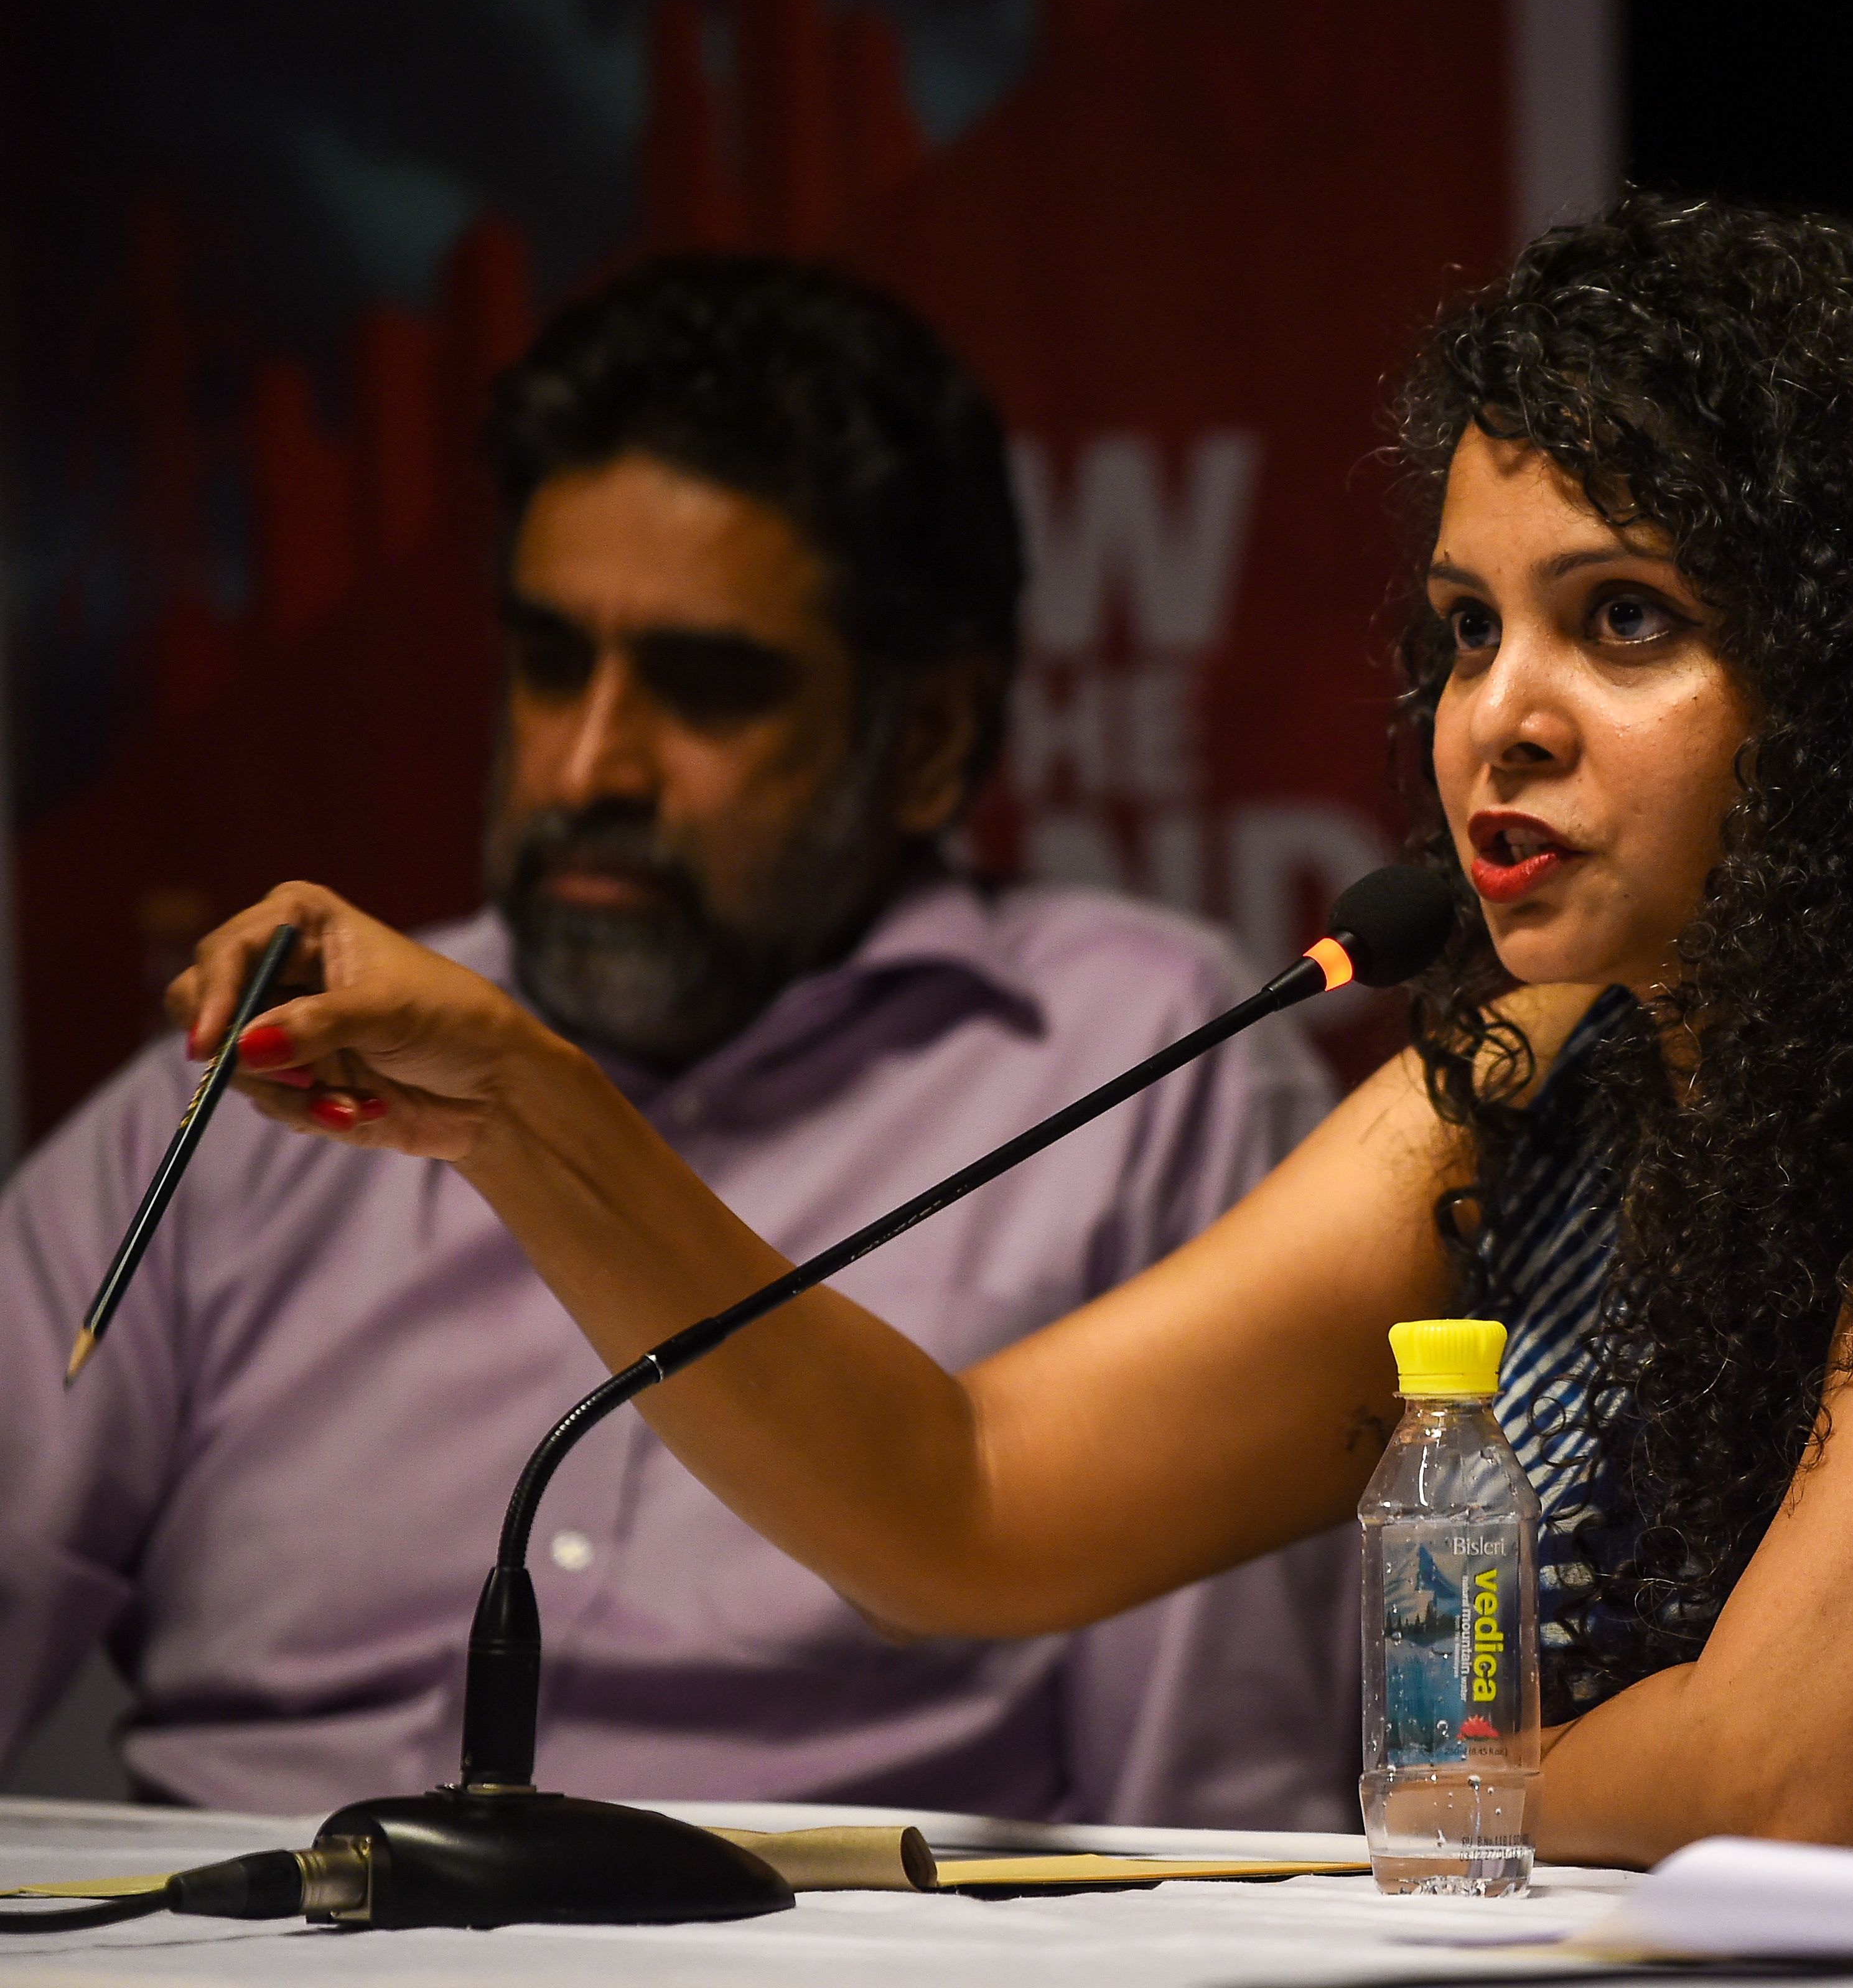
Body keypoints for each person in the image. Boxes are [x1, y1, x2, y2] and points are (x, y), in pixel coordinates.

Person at [162, 199, 1853, 1864]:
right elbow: (967, 1500)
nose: (1497, 724)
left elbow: (1794, 1769)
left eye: (1620, 624)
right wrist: (530, 1113)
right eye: (1464, 632)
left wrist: (1368, 1825)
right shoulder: (1544, 1081)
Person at [0, 255, 1356, 1827]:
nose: (589, 765)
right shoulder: (290, 1063)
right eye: (551, 659)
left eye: (706, 688)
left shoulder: (1139, 1067)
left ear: (923, 739)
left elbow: (1199, 1841)